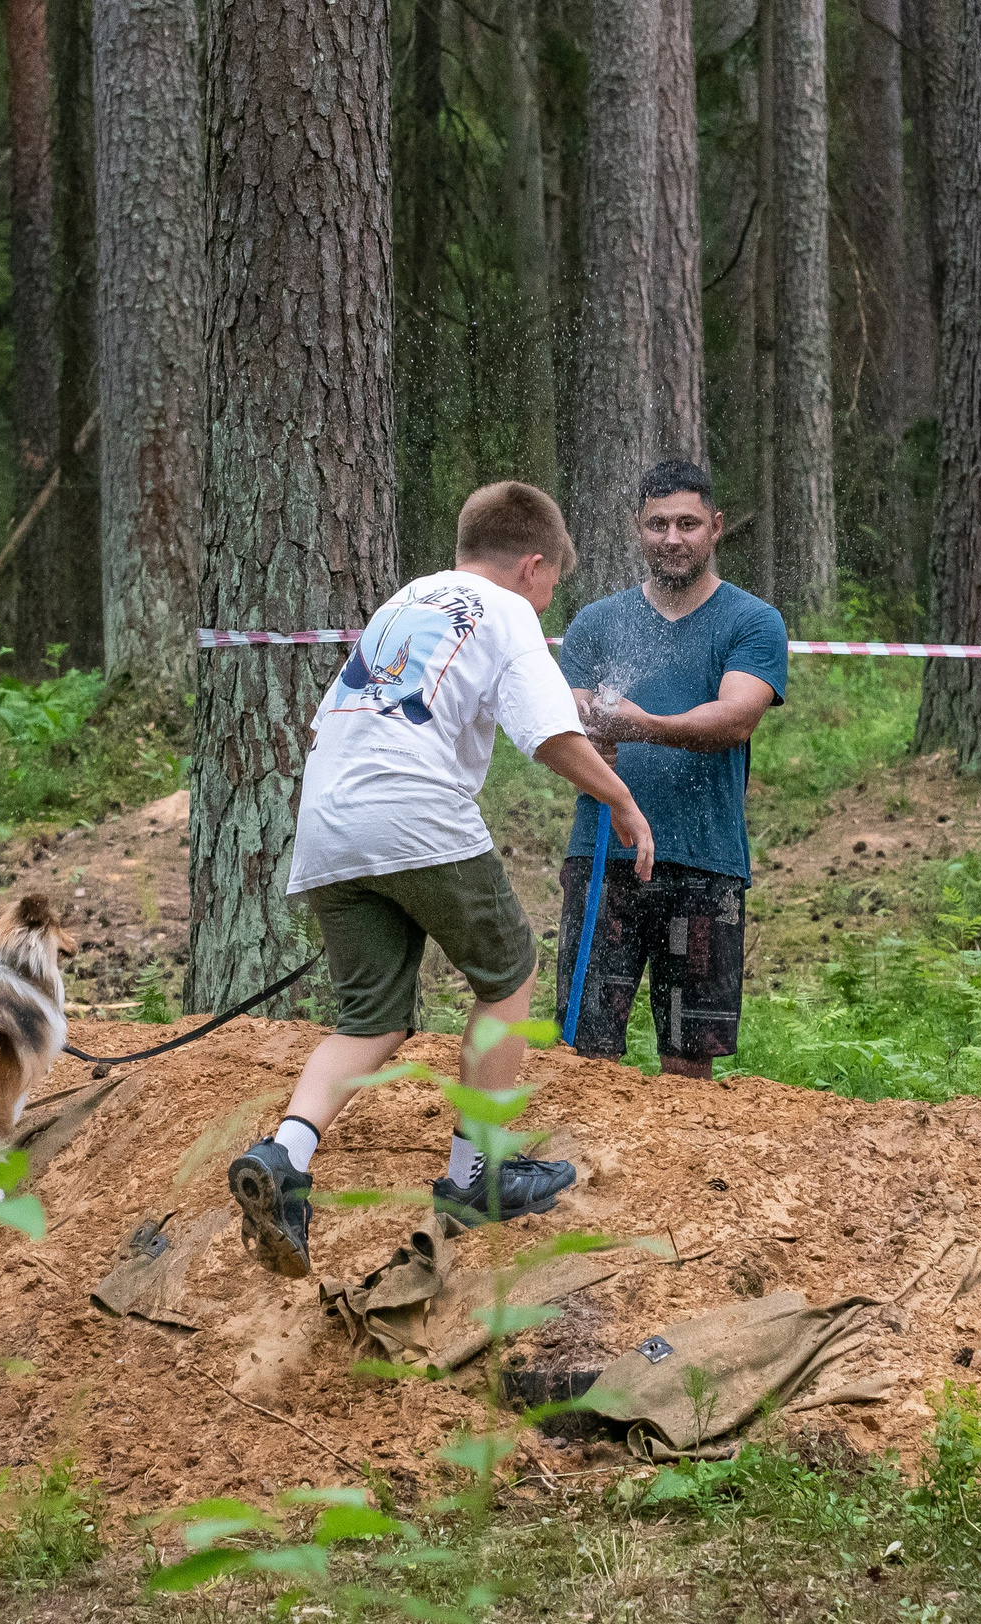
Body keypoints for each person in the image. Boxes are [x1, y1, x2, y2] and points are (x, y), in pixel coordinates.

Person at [227, 480, 656, 1280]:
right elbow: (548, 732)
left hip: (325, 818)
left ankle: (285, 1156)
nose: (547, 600)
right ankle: (476, 1174)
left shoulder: (407, 600)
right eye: (551, 585)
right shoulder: (509, 610)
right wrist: (622, 799)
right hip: (412, 805)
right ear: (532, 566)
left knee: (371, 1017)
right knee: (509, 970)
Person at [556, 459, 787, 1079]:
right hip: (603, 855)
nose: (672, 538)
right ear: (638, 527)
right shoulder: (596, 622)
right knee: (583, 1051)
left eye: (688, 523)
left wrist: (639, 725)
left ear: (716, 527)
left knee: (689, 1061)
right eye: (658, 524)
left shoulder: (751, 620)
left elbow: (735, 719)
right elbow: (563, 718)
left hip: (705, 859)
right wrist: (589, 728)